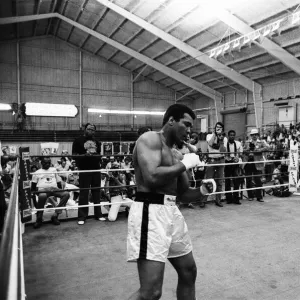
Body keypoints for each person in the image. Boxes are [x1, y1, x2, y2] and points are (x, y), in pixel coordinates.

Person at [127, 103, 216, 300]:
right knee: (150, 293)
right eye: (186, 124)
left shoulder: (176, 154)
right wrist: (185, 164)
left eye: (191, 127)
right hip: (150, 212)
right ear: (171, 121)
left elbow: (183, 194)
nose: (189, 131)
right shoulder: (149, 139)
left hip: (171, 212)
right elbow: (151, 177)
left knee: (188, 271)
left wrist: (202, 190)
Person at [72, 123, 104, 225]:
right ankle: (82, 216)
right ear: (85, 129)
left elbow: (99, 155)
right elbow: (74, 156)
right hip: (84, 169)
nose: (91, 131)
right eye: (89, 129)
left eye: (93, 130)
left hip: (96, 169)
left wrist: (97, 157)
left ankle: (98, 214)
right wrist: (84, 155)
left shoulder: (97, 142)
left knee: (96, 193)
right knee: (84, 194)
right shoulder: (78, 141)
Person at [31, 157, 70, 229]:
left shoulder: (53, 169)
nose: (48, 164)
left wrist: (60, 190)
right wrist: (35, 194)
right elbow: (33, 186)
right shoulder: (37, 172)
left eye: (49, 162)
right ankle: (39, 219)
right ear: (41, 163)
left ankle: (55, 215)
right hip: (43, 190)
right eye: (45, 163)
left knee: (66, 194)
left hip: (54, 188)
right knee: (42, 196)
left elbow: (58, 181)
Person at [244, 128, 269, 202]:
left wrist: (259, 150)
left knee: (258, 180)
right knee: (248, 180)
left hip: (257, 163)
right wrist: (248, 150)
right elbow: (243, 150)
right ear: (251, 135)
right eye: (253, 135)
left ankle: (259, 196)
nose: (254, 136)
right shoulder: (247, 142)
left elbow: (268, 147)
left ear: (257, 135)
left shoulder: (261, 142)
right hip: (248, 162)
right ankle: (250, 196)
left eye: (255, 134)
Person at [206, 122, 227, 207]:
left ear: (222, 129)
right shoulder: (209, 136)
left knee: (220, 181)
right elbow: (210, 144)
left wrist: (221, 140)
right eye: (217, 127)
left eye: (220, 128)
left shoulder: (224, 138)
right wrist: (215, 134)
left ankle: (218, 200)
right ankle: (203, 200)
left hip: (221, 160)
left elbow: (223, 151)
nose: (218, 129)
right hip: (212, 160)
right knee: (208, 180)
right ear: (214, 128)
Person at [224, 130, 243, 205]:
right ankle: (228, 199)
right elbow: (222, 153)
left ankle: (236, 198)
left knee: (236, 181)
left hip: (235, 163)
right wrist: (227, 158)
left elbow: (241, 153)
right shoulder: (225, 144)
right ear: (228, 136)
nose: (232, 136)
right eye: (230, 135)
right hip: (227, 163)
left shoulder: (238, 143)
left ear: (235, 136)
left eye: (233, 135)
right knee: (227, 181)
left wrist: (238, 158)